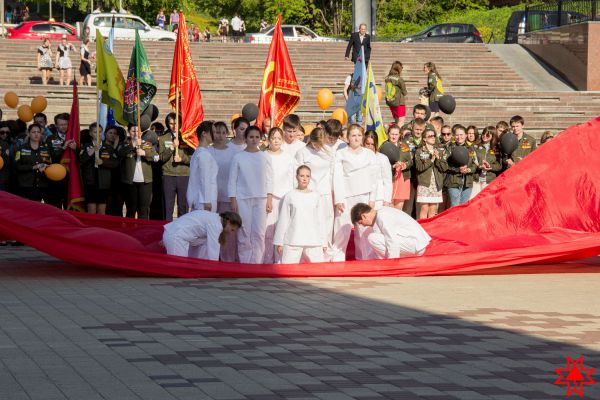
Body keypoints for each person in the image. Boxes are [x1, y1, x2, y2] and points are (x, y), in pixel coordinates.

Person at [228, 126, 274, 264]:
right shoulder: (238, 157)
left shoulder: (265, 156)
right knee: (244, 231)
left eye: (257, 137)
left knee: (259, 232)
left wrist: (269, 198)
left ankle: (257, 261)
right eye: (251, 137)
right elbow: (232, 180)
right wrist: (233, 199)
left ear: (260, 139)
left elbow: (270, 178)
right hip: (242, 198)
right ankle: (245, 261)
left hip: (261, 198)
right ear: (246, 138)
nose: (254, 140)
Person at [332, 124, 377, 261]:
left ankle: (364, 259)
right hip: (346, 196)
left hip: (364, 195)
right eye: (353, 135)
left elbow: (374, 177)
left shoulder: (369, 154)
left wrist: (372, 198)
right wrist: (339, 199)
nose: (356, 138)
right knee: (342, 229)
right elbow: (337, 177)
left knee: (364, 231)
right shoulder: (340, 154)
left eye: (358, 135)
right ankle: (337, 259)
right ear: (347, 137)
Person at [296, 127, 335, 260]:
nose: (316, 147)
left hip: (325, 192)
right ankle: (307, 254)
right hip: (308, 191)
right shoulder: (302, 152)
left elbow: (332, 173)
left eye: (319, 144)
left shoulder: (329, 152)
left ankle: (326, 252)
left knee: (327, 222)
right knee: (309, 221)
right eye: (314, 144)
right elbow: (297, 173)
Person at [274, 165, 327, 264]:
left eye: (307, 176)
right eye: (302, 175)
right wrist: (279, 242)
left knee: (319, 271)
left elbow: (321, 220)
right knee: (287, 271)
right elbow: (283, 219)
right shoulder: (290, 195)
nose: (304, 179)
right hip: (293, 240)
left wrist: (324, 242)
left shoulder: (316, 196)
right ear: (297, 177)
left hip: (313, 240)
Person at [351, 203, 431, 259]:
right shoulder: (381, 212)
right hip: (414, 243)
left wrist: (392, 264)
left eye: (361, 223)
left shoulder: (382, 216)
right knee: (376, 236)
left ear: (364, 216)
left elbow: (392, 240)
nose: (364, 226)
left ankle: (392, 262)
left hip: (415, 244)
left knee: (373, 238)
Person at [264, 127, 297, 263]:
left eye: (279, 138)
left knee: (282, 229)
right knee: (268, 231)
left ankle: (279, 260)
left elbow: (293, 178)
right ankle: (266, 259)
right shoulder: (263, 155)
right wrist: (267, 197)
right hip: (268, 198)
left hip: (284, 197)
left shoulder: (288, 157)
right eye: (273, 138)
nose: (276, 141)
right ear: (269, 140)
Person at [208, 121, 238, 262]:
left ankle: (227, 258)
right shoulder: (207, 150)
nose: (220, 136)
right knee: (213, 227)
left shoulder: (234, 151)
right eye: (217, 132)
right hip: (212, 196)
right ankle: (213, 256)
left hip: (227, 195)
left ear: (228, 134)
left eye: (223, 133)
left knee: (227, 228)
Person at [163, 210, 241, 260]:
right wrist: (216, 269)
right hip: (176, 236)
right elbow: (213, 248)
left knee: (205, 241)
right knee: (178, 268)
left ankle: (199, 264)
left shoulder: (214, 218)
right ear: (228, 222)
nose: (231, 233)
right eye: (232, 230)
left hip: (174, 234)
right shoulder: (216, 224)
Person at [119, 124, 158, 219]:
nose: (136, 133)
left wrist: (145, 153)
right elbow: (120, 153)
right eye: (133, 131)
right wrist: (132, 145)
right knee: (131, 209)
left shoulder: (147, 144)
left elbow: (156, 157)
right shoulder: (124, 144)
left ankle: (143, 231)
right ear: (129, 132)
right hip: (130, 182)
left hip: (145, 182)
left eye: (138, 131)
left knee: (143, 210)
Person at [158, 113, 193, 221]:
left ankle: (182, 231)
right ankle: (166, 230)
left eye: (176, 123)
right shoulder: (163, 138)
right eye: (171, 123)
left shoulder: (187, 138)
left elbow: (193, 158)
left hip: (183, 175)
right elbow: (162, 157)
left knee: (183, 207)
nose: (173, 126)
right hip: (168, 175)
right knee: (167, 207)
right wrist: (172, 147)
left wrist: (182, 159)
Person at [80, 123, 119, 214]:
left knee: (102, 211)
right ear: (90, 133)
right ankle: (92, 228)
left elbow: (115, 163)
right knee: (91, 210)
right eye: (95, 132)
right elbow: (81, 160)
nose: (98, 134)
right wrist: (93, 150)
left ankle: (100, 227)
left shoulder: (108, 147)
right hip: (90, 182)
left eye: (100, 132)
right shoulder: (85, 146)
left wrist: (103, 162)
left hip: (103, 183)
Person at [438, 125, 477, 207]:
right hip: (453, 182)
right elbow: (445, 165)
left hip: (467, 182)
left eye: (461, 135)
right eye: (457, 135)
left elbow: (475, 164)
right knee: (455, 205)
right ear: (454, 136)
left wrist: (469, 169)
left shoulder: (471, 148)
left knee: (464, 206)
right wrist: (457, 169)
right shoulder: (449, 148)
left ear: (466, 135)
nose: (459, 137)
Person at [14, 124, 51, 202]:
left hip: (42, 184)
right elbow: (17, 166)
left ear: (41, 134)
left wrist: (45, 167)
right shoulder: (21, 148)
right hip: (25, 185)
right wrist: (33, 167)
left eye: (38, 132)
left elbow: (50, 163)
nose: (36, 134)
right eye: (33, 132)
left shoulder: (46, 148)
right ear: (28, 133)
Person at [187, 121, 218, 213]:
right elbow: (205, 178)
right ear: (204, 133)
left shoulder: (199, 152)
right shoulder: (204, 154)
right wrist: (206, 200)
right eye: (213, 132)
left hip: (199, 198)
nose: (215, 135)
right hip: (204, 200)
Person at [415, 129, 444, 219]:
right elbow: (419, 167)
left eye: (434, 135)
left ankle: (430, 231)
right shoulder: (420, 151)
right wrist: (431, 160)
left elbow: (444, 168)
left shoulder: (440, 150)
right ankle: (422, 230)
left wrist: (438, 158)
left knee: (433, 208)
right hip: (425, 184)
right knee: (424, 208)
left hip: (436, 184)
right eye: (430, 136)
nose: (433, 138)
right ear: (424, 139)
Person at [364, 131, 392, 209]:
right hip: (363, 197)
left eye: (372, 144)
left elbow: (387, 180)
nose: (370, 146)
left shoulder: (382, 158)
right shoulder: (360, 157)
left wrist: (387, 200)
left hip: (379, 199)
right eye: (367, 144)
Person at [472, 126, 502, 198]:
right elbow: (472, 161)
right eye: (483, 134)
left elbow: (499, 166)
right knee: (474, 203)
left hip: (489, 180)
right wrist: (479, 166)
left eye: (487, 135)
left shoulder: (497, 148)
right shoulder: (475, 146)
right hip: (476, 180)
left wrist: (490, 166)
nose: (484, 136)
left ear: (493, 136)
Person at [384, 61, 408, 128]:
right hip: (399, 102)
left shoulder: (387, 78)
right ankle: (398, 135)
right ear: (398, 69)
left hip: (391, 101)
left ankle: (390, 129)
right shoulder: (399, 79)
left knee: (396, 120)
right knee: (401, 120)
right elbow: (404, 92)